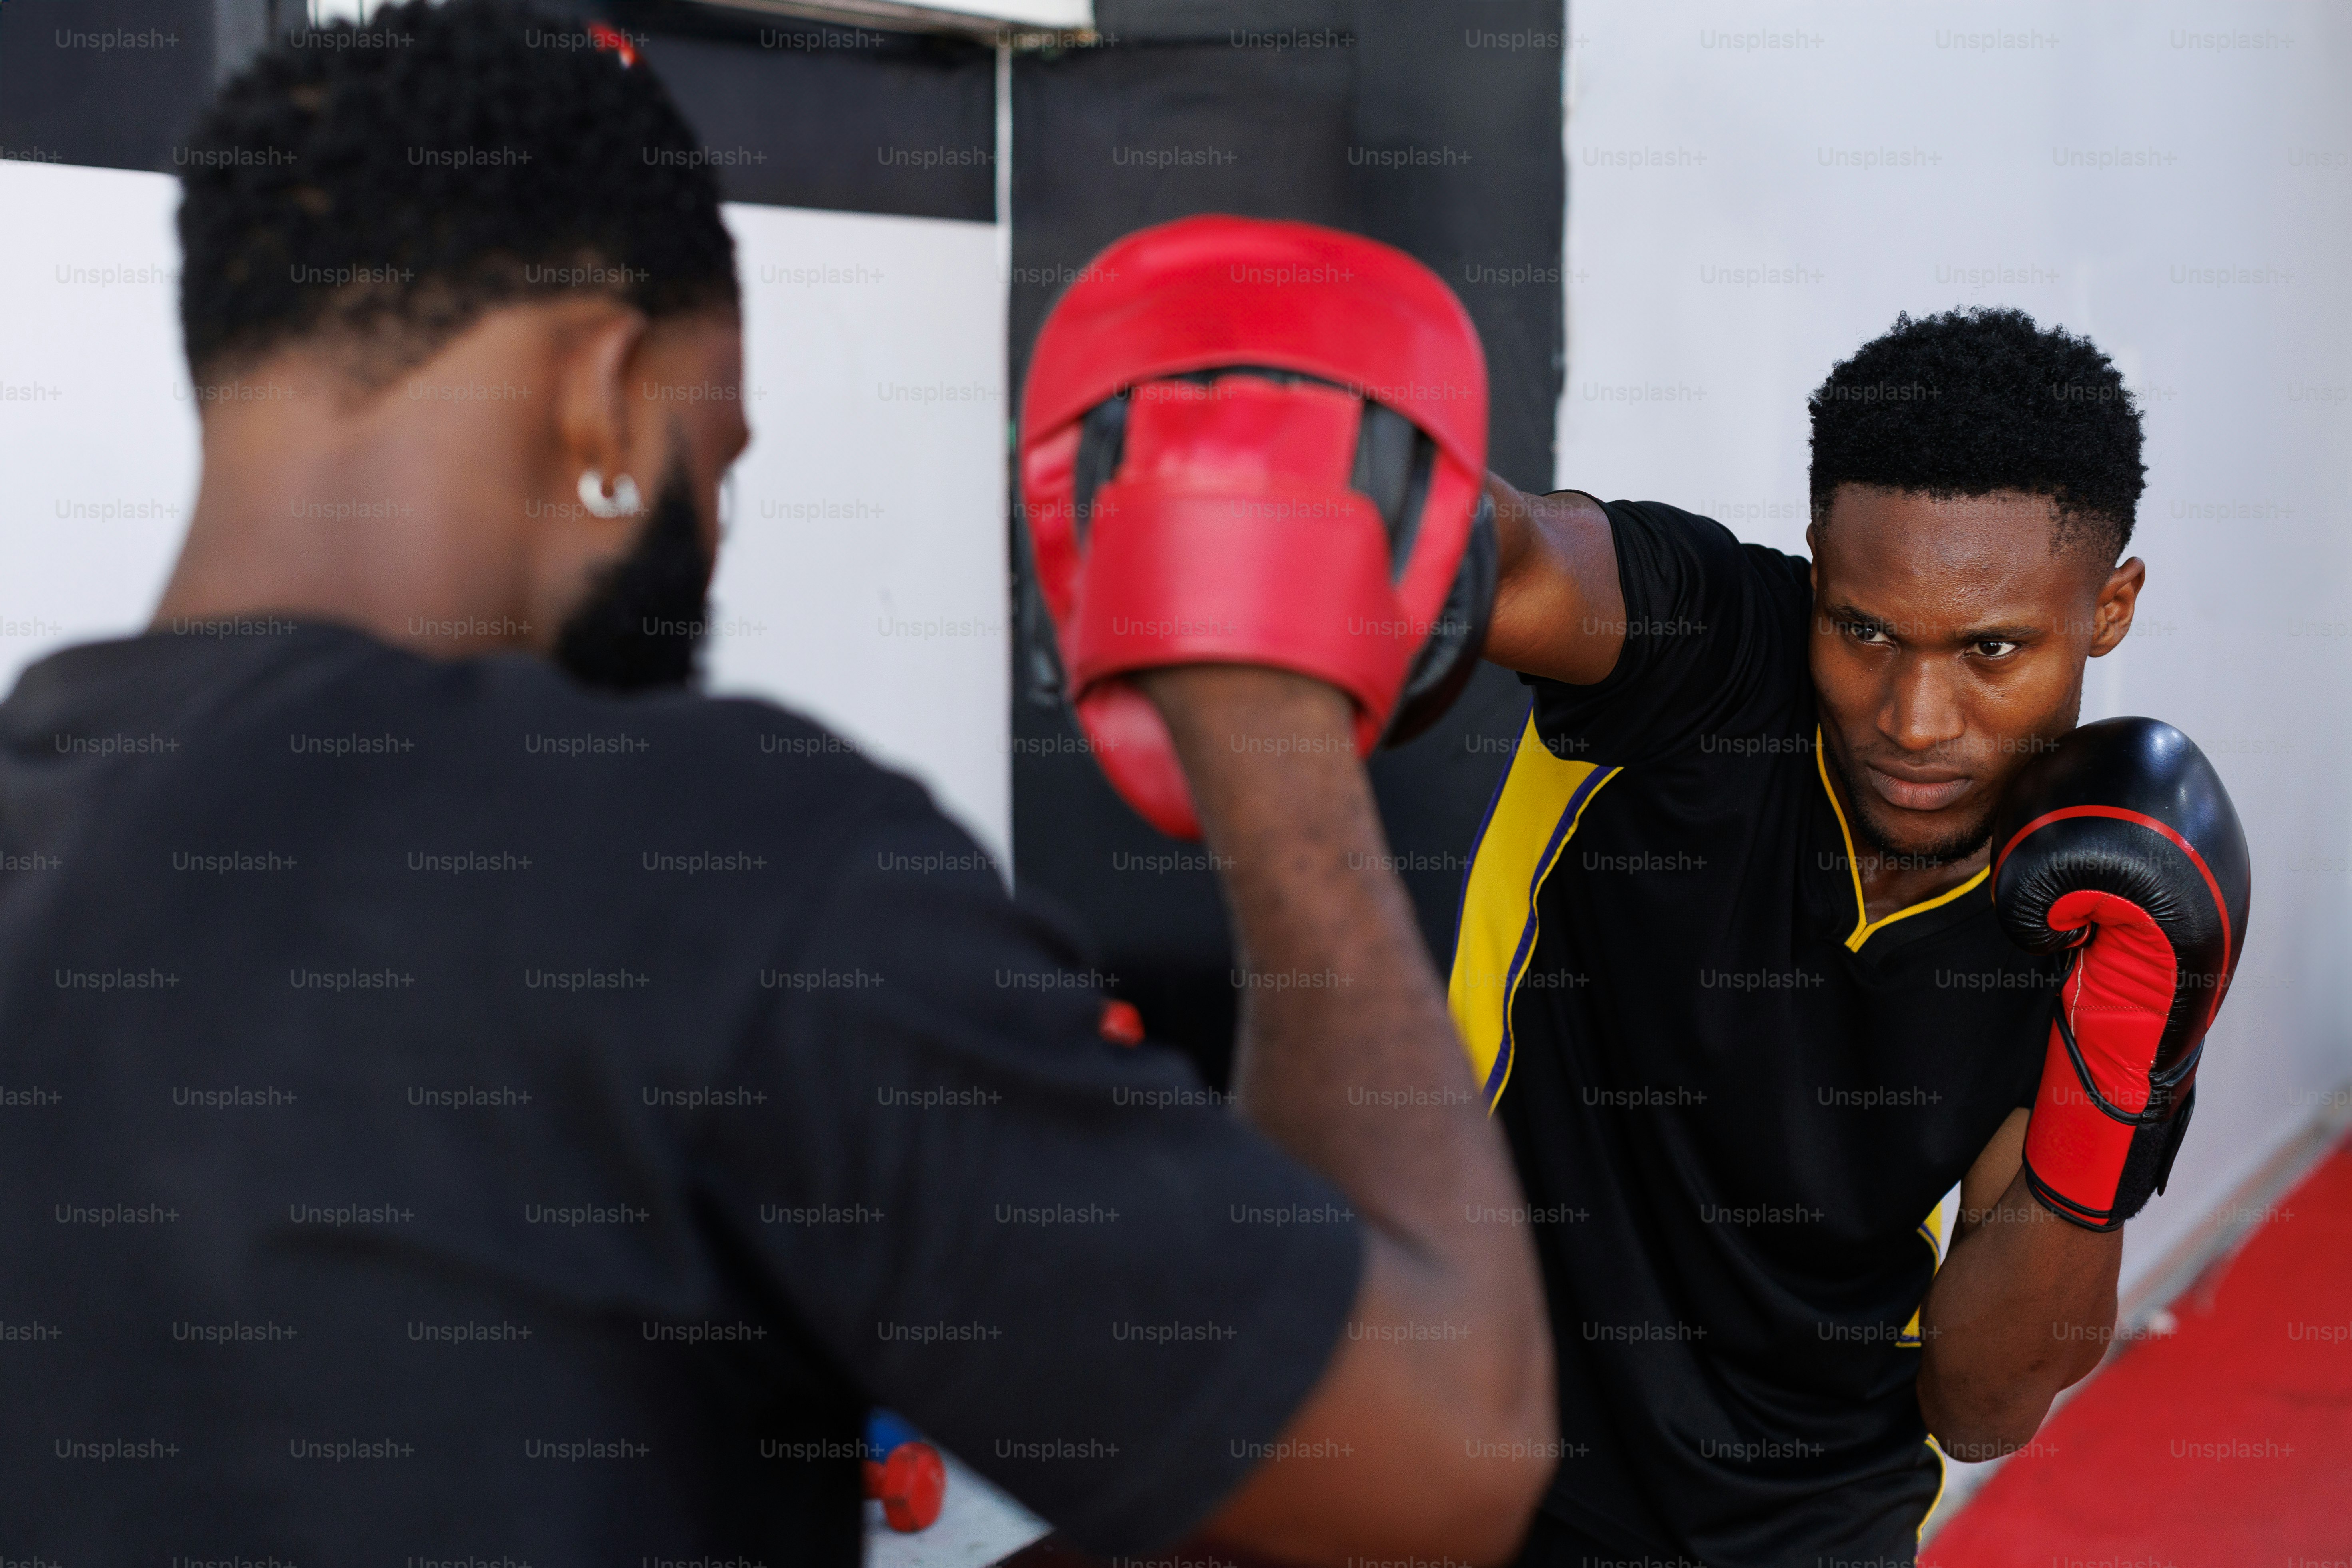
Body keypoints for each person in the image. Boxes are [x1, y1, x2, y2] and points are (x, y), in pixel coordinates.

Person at [0, 4, 1556, 1561]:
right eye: (717, 454)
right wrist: (1256, 706)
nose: (719, 533)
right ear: (602, 393)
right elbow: (1437, 1450)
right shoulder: (697, 858)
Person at [1459, 307, 2248, 1566]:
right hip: (1481, 1433)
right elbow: (1531, 558)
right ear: (1820, 570)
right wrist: (1370, 497)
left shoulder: (2099, 894)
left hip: (1817, 1506)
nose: (1916, 718)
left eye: (1993, 649)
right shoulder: (1713, 655)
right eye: (1864, 629)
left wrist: (2128, 1067)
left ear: (2109, 608)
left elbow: (1984, 1404)